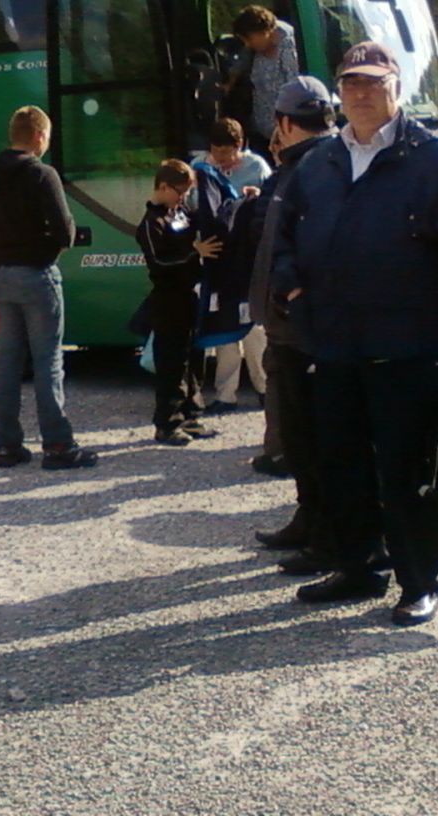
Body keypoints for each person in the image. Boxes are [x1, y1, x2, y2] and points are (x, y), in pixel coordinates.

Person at [272, 41, 438, 627]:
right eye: (351, 83)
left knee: (406, 470)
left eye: (374, 82)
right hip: (333, 343)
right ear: (339, 92)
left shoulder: (433, 157)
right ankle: (357, 567)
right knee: (341, 464)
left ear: (397, 87)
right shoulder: (320, 161)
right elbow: (284, 236)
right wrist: (291, 288)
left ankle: (420, 580)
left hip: (406, 344)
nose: (362, 93)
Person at [240, 78, 341, 573]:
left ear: (282, 122)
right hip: (289, 326)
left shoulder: (318, 167)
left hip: (305, 328)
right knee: (297, 434)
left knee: (312, 434)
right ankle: (310, 518)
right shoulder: (300, 166)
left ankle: (326, 533)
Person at [0, 105, 95, 471]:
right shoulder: (42, 174)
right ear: (39, 136)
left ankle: (8, 446)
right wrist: (44, 250)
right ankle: (57, 445)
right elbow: (65, 232)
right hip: (37, 275)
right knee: (47, 361)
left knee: (7, 360)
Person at [137, 160, 223, 446]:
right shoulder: (151, 223)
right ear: (163, 187)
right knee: (171, 364)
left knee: (194, 360)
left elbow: (201, 220)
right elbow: (159, 261)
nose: (183, 198)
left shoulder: (181, 213)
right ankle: (167, 423)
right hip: (167, 299)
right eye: (180, 192)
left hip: (190, 296)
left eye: (187, 193)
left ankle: (191, 414)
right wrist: (194, 252)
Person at [191, 118, 269, 412]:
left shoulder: (257, 167)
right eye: (217, 152)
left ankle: (265, 388)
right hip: (217, 260)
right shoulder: (200, 168)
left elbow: (271, 206)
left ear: (241, 146)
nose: (222, 159)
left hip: (248, 259)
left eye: (228, 153)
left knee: (254, 328)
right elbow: (188, 210)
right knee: (223, 328)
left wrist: (257, 198)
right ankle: (226, 394)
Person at [226, 4, 300, 157]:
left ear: (264, 32)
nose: (247, 44)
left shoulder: (288, 45)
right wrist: (229, 83)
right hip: (260, 132)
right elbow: (240, 64)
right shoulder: (253, 49)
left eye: (249, 39)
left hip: (284, 136)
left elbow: (294, 87)